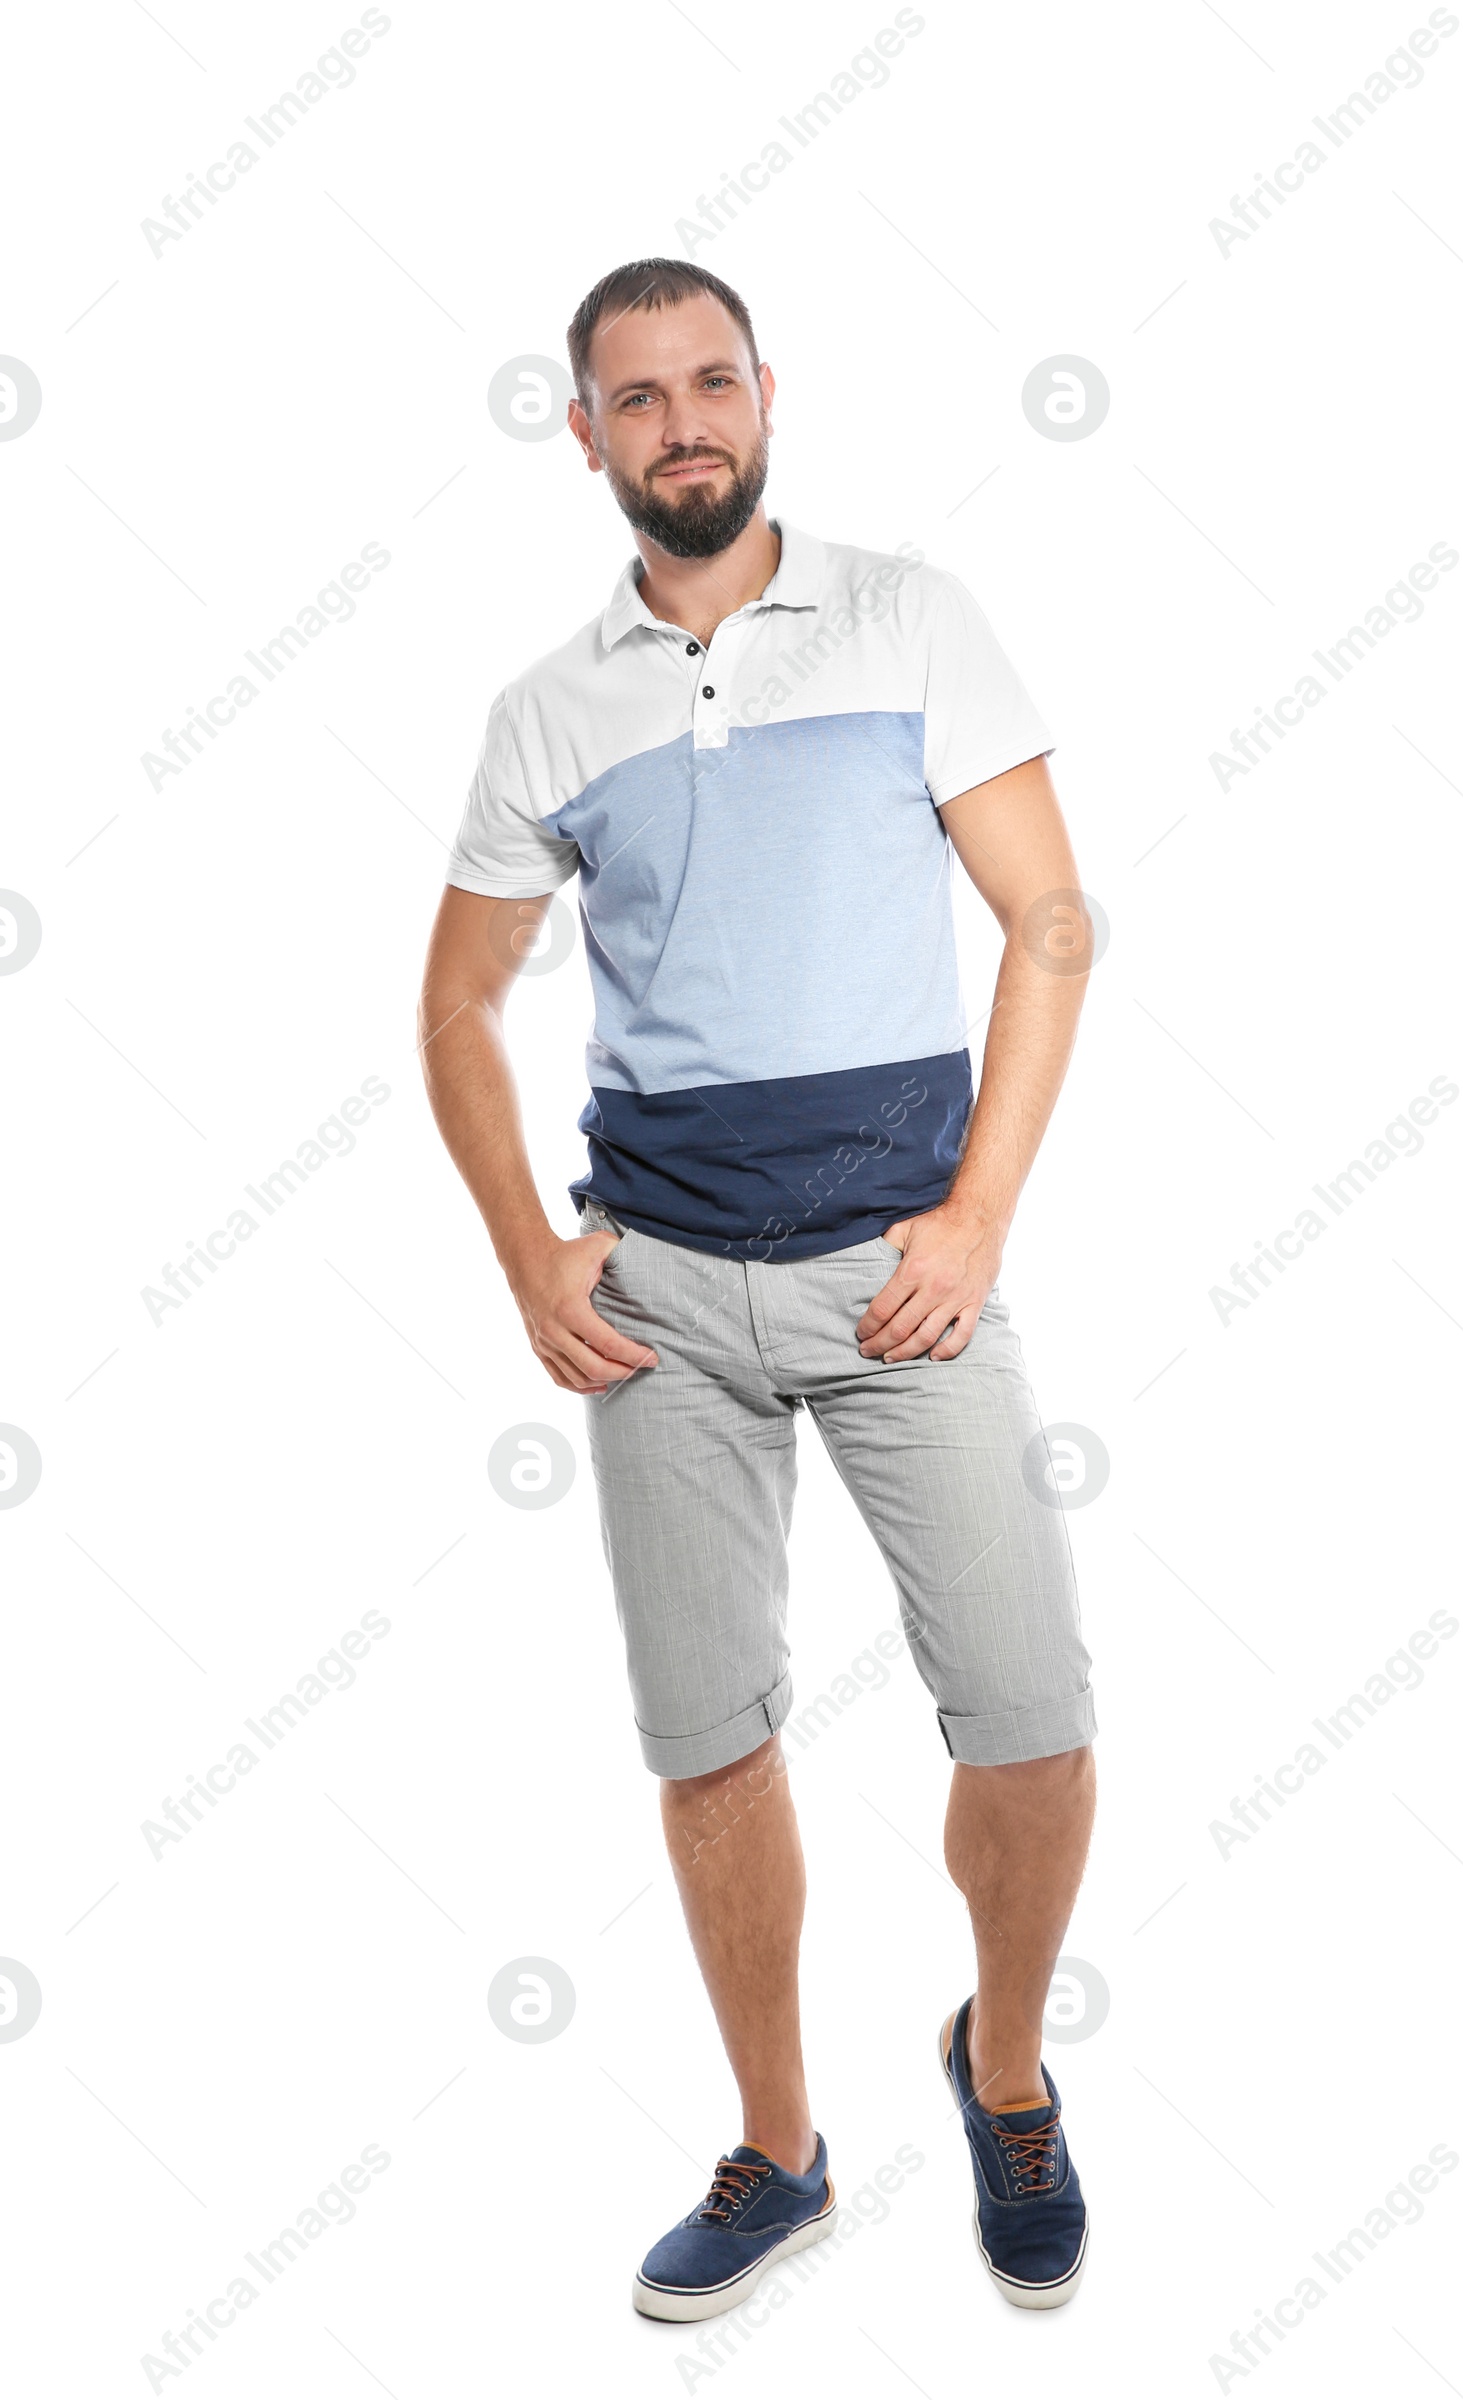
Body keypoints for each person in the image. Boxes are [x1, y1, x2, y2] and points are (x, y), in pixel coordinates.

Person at [419, 258, 1098, 2319]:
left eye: (709, 380)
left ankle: (998, 2072)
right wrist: (529, 1252)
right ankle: (780, 2152)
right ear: (588, 436)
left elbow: (1050, 923)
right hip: (663, 1310)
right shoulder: (550, 705)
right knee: (709, 1742)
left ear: (764, 395)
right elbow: (454, 1004)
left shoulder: (906, 618)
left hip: (901, 1279)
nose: (680, 420)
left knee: (1033, 1720)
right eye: (637, 397)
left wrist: (976, 1221)